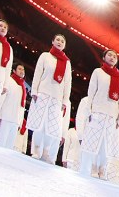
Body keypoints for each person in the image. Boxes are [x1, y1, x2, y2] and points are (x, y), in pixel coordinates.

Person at [28, 33, 74, 163]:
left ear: (64, 46)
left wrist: (65, 100)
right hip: (42, 93)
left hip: (57, 98)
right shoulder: (45, 56)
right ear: (52, 41)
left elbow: (68, 83)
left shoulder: (67, 63)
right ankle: (36, 149)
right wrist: (34, 91)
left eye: (62, 41)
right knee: (39, 124)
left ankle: (46, 151)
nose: (60, 42)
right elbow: (37, 73)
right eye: (57, 40)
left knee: (51, 126)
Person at [83, 49, 119, 179]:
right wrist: (89, 110)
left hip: (111, 115)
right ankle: (93, 167)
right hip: (97, 111)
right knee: (94, 142)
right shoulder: (98, 72)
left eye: (115, 56)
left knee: (106, 145)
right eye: (109, 55)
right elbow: (91, 92)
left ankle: (102, 169)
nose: (112, 57)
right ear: (104, 57)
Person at [0, 63, 30, 152]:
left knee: (9, 148)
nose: (22, 71)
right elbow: (2, 98)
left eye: (23, 69)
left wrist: (20, 122)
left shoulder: (23, 86)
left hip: (15, 121)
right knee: (0, 144)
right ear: (14, 71)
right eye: (19, 69)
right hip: (6, 117)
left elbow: (22, 106)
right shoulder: (9, 81)